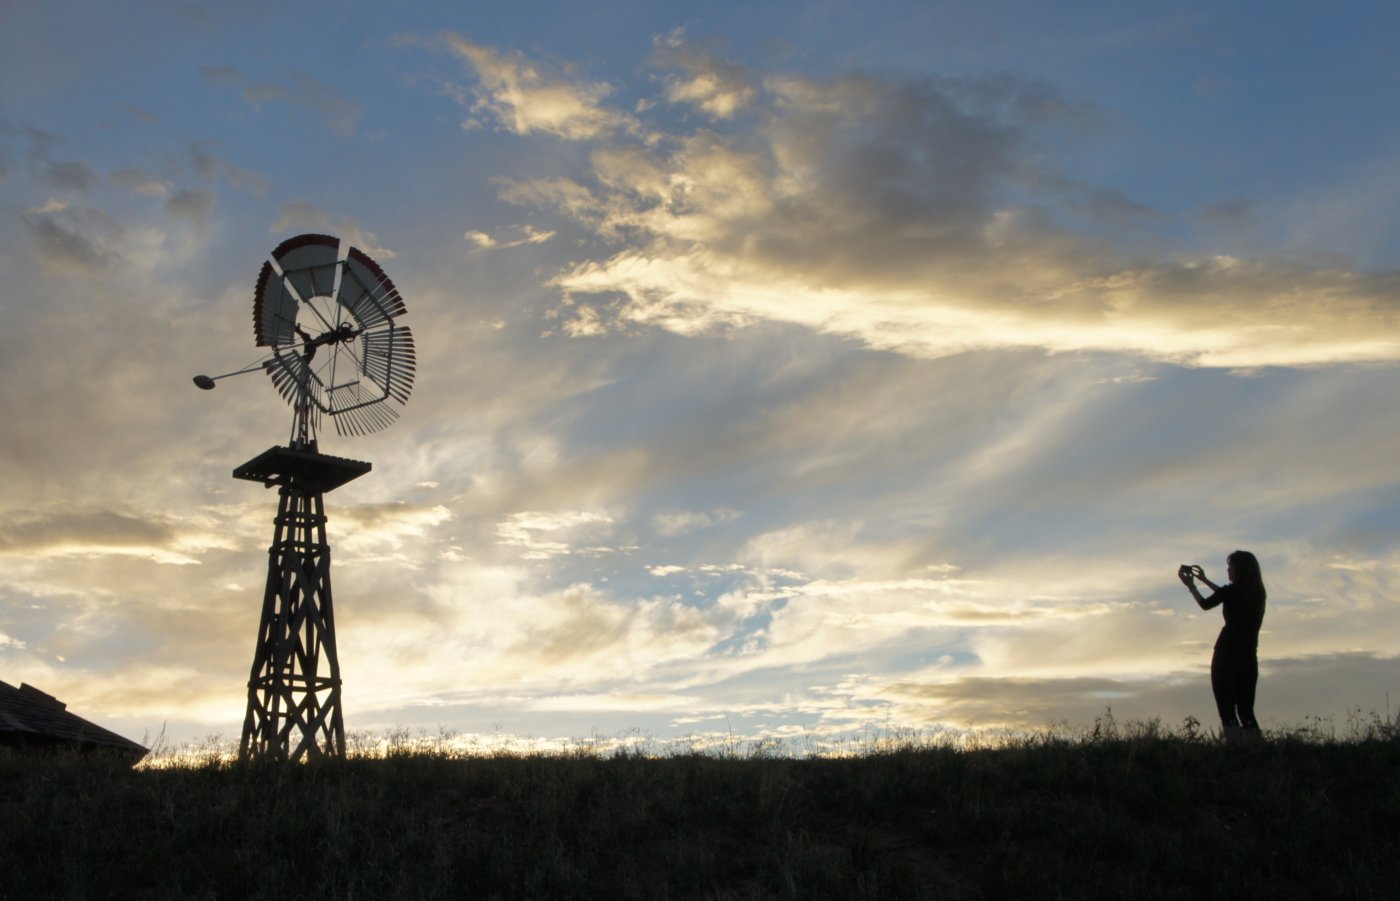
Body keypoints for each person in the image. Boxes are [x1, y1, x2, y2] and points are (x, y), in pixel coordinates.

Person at [1179, 551, 1267, 741]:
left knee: (1227, 712)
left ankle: (1235, 751)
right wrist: (1205, 580)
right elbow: (1228, 595)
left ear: (1239, 570)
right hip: (1249, 658)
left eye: (1230, 567)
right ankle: (1257, 751)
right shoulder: (1257, 594)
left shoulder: (1232, 592)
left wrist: (1192, 586)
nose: (1228, 570)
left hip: (1226, 656)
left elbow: (1205, 604)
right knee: (1246, 711)